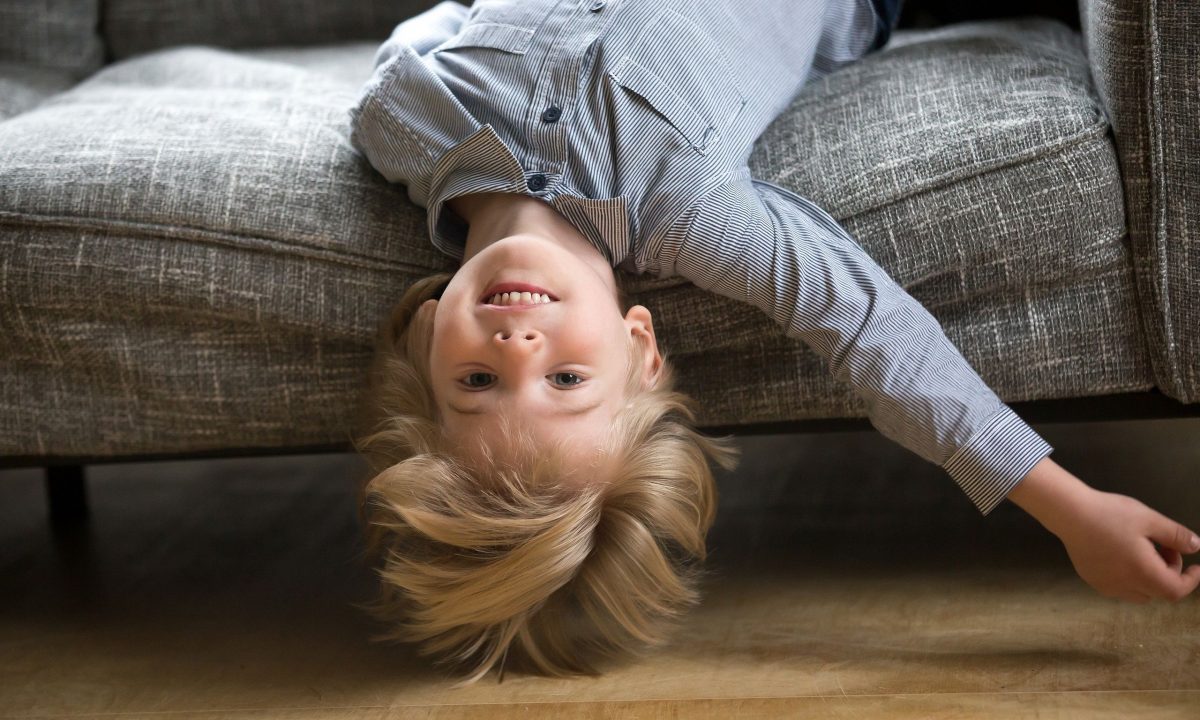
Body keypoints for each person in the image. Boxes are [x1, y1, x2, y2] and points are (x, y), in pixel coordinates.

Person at [347, 0, 1200, 685]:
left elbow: (437, 24)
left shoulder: (402, 119)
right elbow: (871, 332)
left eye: (477, 381)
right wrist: (1069, 508)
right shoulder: (685, 210)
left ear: (427, 336)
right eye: (568, 378)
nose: (521, 345)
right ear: (639, 347)